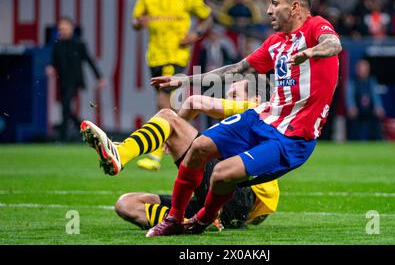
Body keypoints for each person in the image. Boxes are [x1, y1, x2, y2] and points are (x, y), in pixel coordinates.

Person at [147, 0, 342, 236]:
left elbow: (334, 44)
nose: (269, 10)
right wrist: (184, 80)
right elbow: (236, 69)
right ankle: (174, 218)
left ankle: (201, 221)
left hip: (292, 138)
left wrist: (312, 52)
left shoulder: (316, 27)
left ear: (295, 7)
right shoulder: (275, 43)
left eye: (274, 3)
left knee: (221, 174)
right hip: (262, 119)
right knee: (199, 147)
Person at [80, 79, 279, 230]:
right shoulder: (243, 127)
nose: (227, 101)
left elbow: (194, 102)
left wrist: (170, 131)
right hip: (228, 204)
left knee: (167, 115)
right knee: (126, 204)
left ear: (256, 99)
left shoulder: (255, 111)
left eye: (234, 96)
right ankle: (194, 222)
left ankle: (121, 152)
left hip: (238, 197)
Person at [132, 0, 213, 171]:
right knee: (173, 106)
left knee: (163, 102)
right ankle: (187, 145)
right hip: (155, 57)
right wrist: (139, 23)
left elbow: (207, 17)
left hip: (176, 56)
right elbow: (135, 21)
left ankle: (156, 154)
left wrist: (195, 33)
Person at [45, 17, 106, 141]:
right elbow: (54, 61)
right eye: (60, 28)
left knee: (66, 105)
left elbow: (89, 61)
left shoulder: (78, 43)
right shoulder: (58, 44)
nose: (62, 30)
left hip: (74, 80)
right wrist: (51, 67)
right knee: (65, 108)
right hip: (62, 80)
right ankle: (85, 128)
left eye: (64, 28)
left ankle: (63, 137)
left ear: (71, 28)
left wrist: (99, 78)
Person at [346, 59, 385, 141]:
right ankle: (353, 142)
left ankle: (377, 141)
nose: (363, 71)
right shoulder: (352, 81)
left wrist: (378, 107)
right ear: (357, 69)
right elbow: (350, 96)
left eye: (365, 69)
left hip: (369, 110)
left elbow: (375, 96)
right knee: (352, 118)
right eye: (361, 69)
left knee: (377, 117)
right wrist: (351, 107)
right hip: (357, 110)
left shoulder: (371, 80)